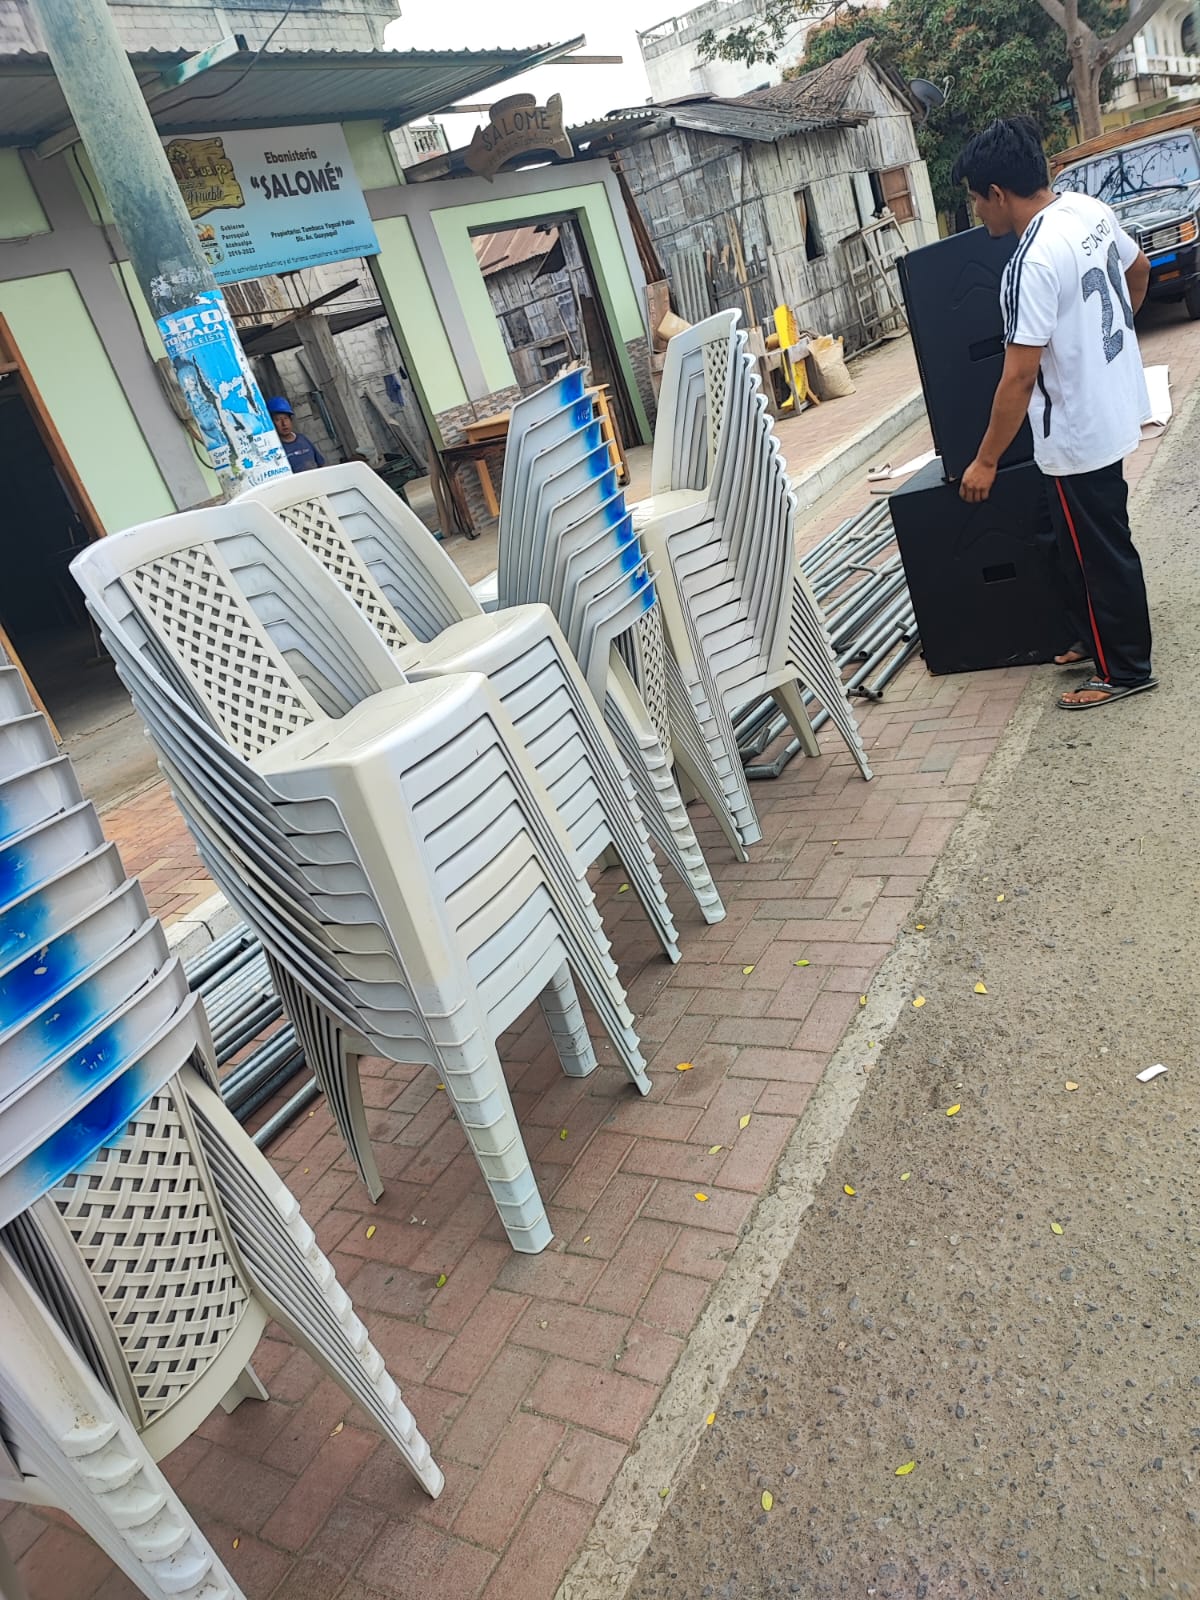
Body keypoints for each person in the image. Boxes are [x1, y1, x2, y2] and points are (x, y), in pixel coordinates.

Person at [953, 116, 1156, 710]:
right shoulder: (1087, 210)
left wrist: (985, 461)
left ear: (998, 194)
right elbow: (1139, 270)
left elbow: (1018, 377)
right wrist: (1107, 348)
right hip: (1111, 404)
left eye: (976, 200)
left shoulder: (1031, 260)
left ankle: (1125, 670)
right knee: (1072, 539)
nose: (977, 213)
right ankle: (1093, 637)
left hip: (1075, 432)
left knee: (1101, 551)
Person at [266, 396, 326, 473]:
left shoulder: (302, 439)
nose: (284, 423)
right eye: (278, 420)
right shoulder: (275, 448)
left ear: (290, 419)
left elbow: (321, 464)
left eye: (286, 418)